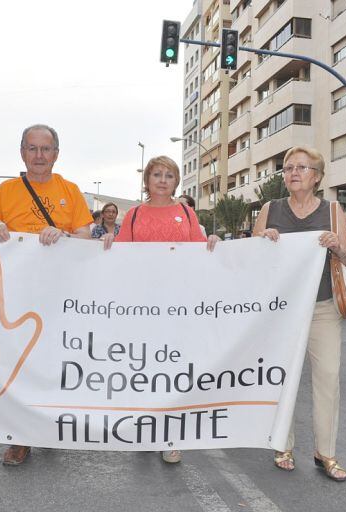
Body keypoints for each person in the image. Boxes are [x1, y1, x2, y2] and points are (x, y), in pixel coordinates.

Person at [0, 124, 92, 466]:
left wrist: (65, 234)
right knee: (18, 362)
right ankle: (20, 436)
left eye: (45, 149)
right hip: (14, 293)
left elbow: (85, 232)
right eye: (32, 148)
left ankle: (50, 424)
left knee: (54, 363)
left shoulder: (70, 191)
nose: (39, 155)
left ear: (56, 154)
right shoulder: (6, 190)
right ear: (22, 152)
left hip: (58, 294)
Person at [104, 156, 218, 464]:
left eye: (169, 174)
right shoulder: (134, 214)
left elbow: (201, 250)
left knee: (173, 368)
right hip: (141, 305)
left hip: (179, 303)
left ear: (177, 181)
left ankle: (170, 435)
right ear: (147, 180)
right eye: (157, 174)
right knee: (146, 367)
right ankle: (145, 428)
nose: (163, 179)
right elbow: (120, 253)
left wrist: (214, 242)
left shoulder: (186, 212)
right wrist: (107, 242)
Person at [252, 145, 346, 482]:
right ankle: (283, 445)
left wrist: (337, 246)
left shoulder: (333, 210)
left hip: (323, 309)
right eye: (287, 167)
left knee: (328, 380)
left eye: (301, 167)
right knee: (284, 382)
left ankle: (326, 453)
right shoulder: (270, 209)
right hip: (281, 312)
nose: (293, 173)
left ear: (317, 177)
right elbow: (250, 259)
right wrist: (263, 242)